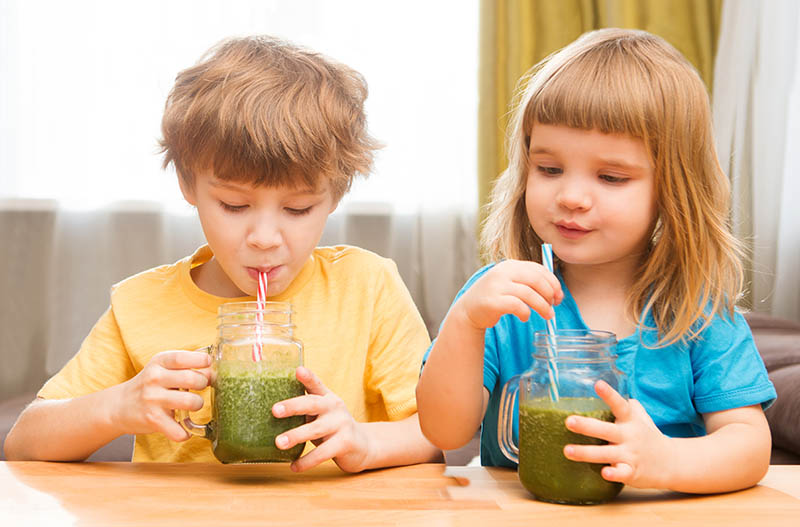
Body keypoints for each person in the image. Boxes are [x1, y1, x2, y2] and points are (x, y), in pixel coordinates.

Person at [4, 35, 440, 472]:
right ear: (189, 185)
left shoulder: (367, 287)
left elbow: (435, 433)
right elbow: (24, 443)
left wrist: (366, 441)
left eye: (298, 208)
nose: (265, 237)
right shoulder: (140, 304)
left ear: (336, 195)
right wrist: (117, 406)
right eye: (234, 205)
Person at [416, 28, 776, 493]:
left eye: (610, 176)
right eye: (548, 169)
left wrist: (665, 460)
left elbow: (750, 446)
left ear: (673, 189)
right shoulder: (502, 302)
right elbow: (443, 432)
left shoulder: (698, 314)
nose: (571, 197)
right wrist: (465, 323)